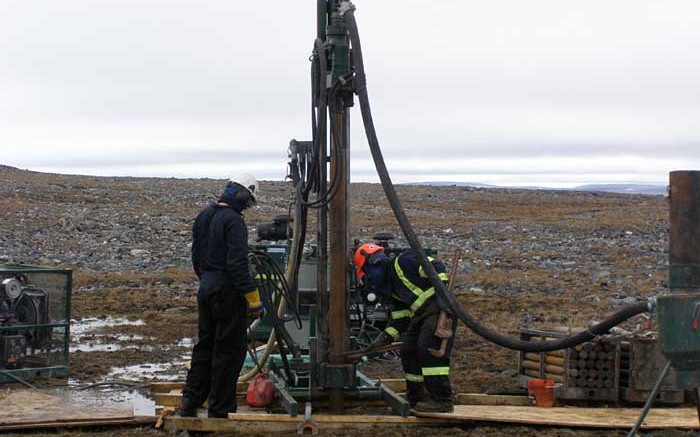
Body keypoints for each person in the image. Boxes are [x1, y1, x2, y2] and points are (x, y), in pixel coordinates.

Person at [177, 174, 265, 418]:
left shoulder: (204, 215)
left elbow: (196, 258)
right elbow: (237, 265)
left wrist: (208, 280)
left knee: (204, 346)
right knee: (228, 351)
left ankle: (190, 401)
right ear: (242, 195)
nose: (247, 206)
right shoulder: (234, 221)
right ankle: (220, 410)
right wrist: (254, 301)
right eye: (248, 201)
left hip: (206, 287)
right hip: (227, 291)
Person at [354, 243, 456, 413]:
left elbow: (435, 266)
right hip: (421, 315)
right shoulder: (391, 288)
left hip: (438, 307)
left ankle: (442, 400)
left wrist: (442, 292)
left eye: (367, 273)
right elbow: (400, 318)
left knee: (427, 348)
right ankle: (417, 397)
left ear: (374, 263)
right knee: (408, 350)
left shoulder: (403, 262)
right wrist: (386, 337)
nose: (369, 279)